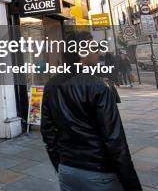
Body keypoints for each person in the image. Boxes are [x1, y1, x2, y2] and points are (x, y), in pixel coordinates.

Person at [41, 31, 141, 191]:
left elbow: (48, 133)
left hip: (67, 171)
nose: (99, 52)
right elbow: (115, 141)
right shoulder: (98, 86)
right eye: (94, 48)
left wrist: (61, 165)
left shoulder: (51, 85)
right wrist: (132, 185)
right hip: (99, 174)